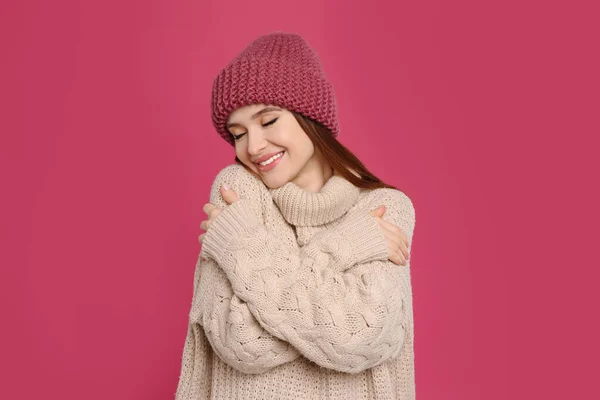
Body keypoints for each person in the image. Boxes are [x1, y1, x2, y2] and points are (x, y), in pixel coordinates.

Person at [175, 32, 417, 400]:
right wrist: (347, 248)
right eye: (237, 133)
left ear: (311, 117)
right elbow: (240, 339)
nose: (252, 147)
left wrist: (241, 247)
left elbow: (362, 337)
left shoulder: (384, 209)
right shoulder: (238, 191)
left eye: (268, 121)